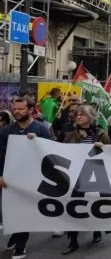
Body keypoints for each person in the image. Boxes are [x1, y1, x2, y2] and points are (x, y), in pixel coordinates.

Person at [0, 96, 52, 259]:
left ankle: (20, 245)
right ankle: (16, 236)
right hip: (9, 180)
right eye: (15, 109)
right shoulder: (5, 131)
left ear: (30, 110)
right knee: (11, 211)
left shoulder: (42, 130)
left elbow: (49, 154)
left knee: (25, 211)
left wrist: (37, 143)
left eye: (21, 109)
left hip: (32, 179)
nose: (16, 111)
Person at [61, 105, 110, 255]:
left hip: (96, 176)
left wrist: (104, 147)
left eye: (82, 114)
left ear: (90, 117)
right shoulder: (69, 136)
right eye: (77, 114)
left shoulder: (101, 134)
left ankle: (96, 231)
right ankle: (73, 240)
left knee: (93, 206)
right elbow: (56, 149)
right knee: (74, 208)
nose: (78, 117)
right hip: (76, 177)